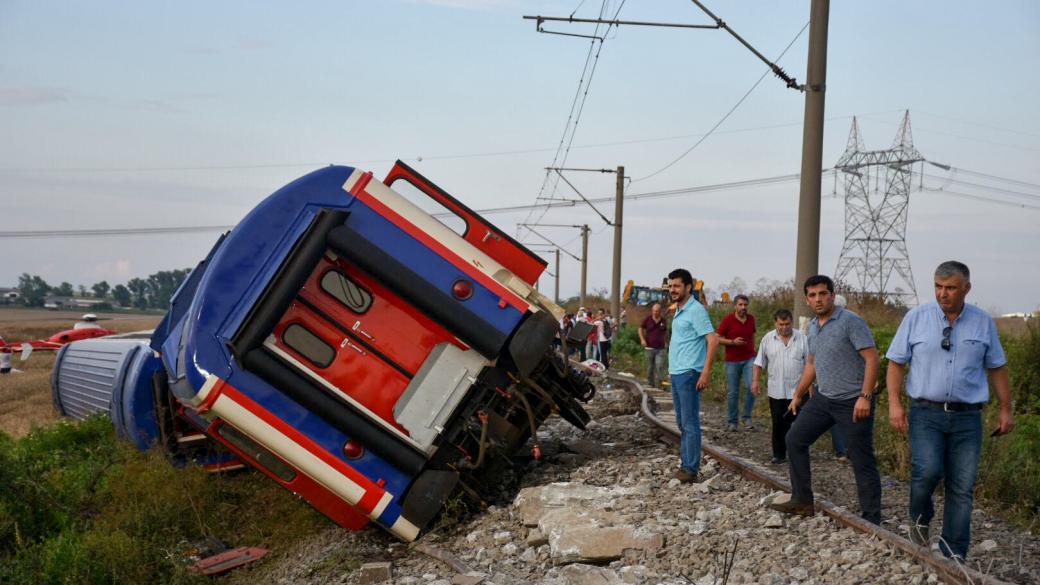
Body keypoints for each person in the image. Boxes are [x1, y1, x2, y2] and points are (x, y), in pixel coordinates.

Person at [886, 261, 1014, 559]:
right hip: (925, 413)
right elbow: (895, 362)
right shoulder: (916, 318)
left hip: (967, 417)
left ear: (966, 288)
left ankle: (954, 553)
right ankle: (919, 524)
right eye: (938, 287)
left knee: (962, 485)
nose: (943, 294)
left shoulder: (983, 322)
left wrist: (1006, 409)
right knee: (926, 472)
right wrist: (894, 404)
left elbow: (997, 367)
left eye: (951, 288)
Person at [770, 275, 882, 524]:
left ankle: (872, 518)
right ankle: (802, 500)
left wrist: (865, 396)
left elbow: (872, 359)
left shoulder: (850, 322)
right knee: (795, 439)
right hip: (823, 398)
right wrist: (798, 395)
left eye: (822, 294)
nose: (818, 299)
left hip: (853, 400)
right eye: (812, 295)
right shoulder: (812, 326)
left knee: (860, 457)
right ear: (807, 299)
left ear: (832, 295)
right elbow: (812, 363)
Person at [667, 268, 719, 483]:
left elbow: (713, 339)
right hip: (677, 372)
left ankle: (690, 469)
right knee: (681, 421)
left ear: (689, 287)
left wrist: (705, 372)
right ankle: (686, 464)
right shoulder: (679, 310)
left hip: (689, 373)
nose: (673, 290)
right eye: (670, 286)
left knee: (689, 423)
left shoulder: (696, 310)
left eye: (677, 286)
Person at [751, 309, 808, 464]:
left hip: (798, 390)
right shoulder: (768, 339)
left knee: (799, 424)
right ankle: (779, 454)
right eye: (781, 324)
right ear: (776, 323)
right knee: (778, 423)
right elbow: (758, 363)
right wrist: (755, 381)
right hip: (776, 391)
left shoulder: (802, 339)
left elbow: (810, 365)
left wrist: (811, 388)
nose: (784, 327)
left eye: (787, 324)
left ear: (792, 322)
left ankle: (798, 452)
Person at [717, 294, 757, 431]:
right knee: (733, 392)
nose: (743, 307)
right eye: (740, 305)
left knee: (752, 387)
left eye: (745, 305)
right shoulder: (728, 320)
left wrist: (754, 350)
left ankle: (746, 417)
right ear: (735, 306)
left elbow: (753, 335)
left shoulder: (751, 319)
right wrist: (732, 342)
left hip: (749, 358)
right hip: (732, 361)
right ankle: (733, 421)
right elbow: (717, 338)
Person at [639, 302, 668, 388]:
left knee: (659, 365)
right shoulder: (647, 319)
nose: (655, 312)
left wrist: (666, 342)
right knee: (650, 368)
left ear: (660, 312)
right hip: (649, 348)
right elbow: (640, 329)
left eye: (657, 311)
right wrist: (642, 339)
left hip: (660, 348)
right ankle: (650, 384)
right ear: (652, 311)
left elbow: (666, 332)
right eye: (654, 311)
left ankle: (660, 384)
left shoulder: (663, 321)